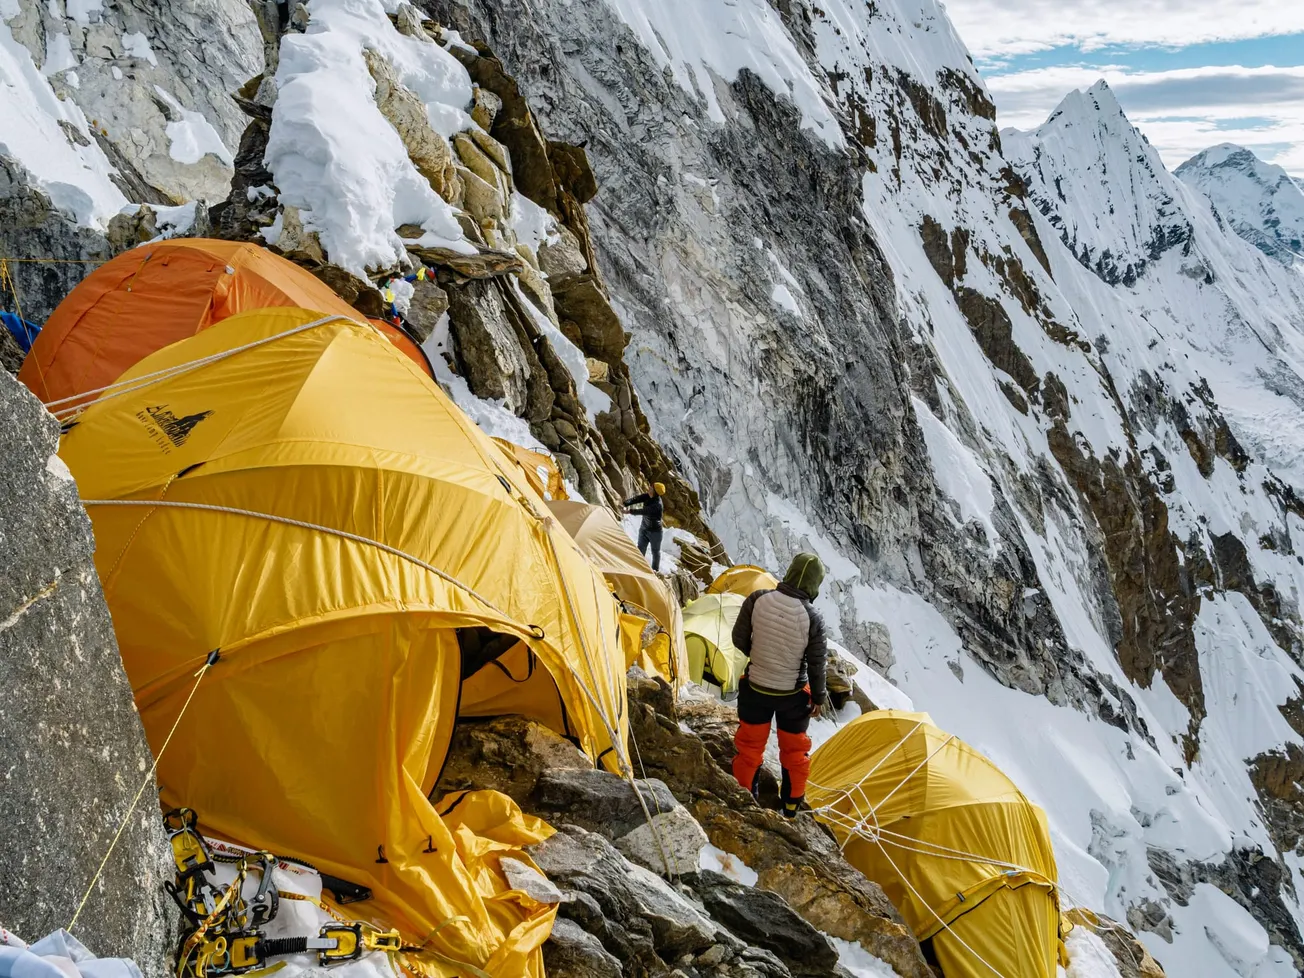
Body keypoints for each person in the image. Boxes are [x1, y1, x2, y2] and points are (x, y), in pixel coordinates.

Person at [730, 552, 828, 818]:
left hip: (755, 688)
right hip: (792, 695)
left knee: (750, 747)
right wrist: (818, 697)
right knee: (795, 751)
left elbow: (738, 639)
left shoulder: (757, 599)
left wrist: (760, 656)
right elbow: (817, 664)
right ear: (814, 585)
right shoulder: (813, 618)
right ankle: (792, 804)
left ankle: (744, 796)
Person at [625, 482, 665, 572]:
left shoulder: (657, 505)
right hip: (644, 528)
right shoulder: (648, 496)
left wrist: (629, 511)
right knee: (640, 548)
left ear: (655, 492)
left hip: (655, 532)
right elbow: (637, 499)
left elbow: (644, 511)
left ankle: (655, 571)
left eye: (651, 487)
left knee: (655, 552)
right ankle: (638, 567)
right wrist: (625, 503)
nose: (649, 488)